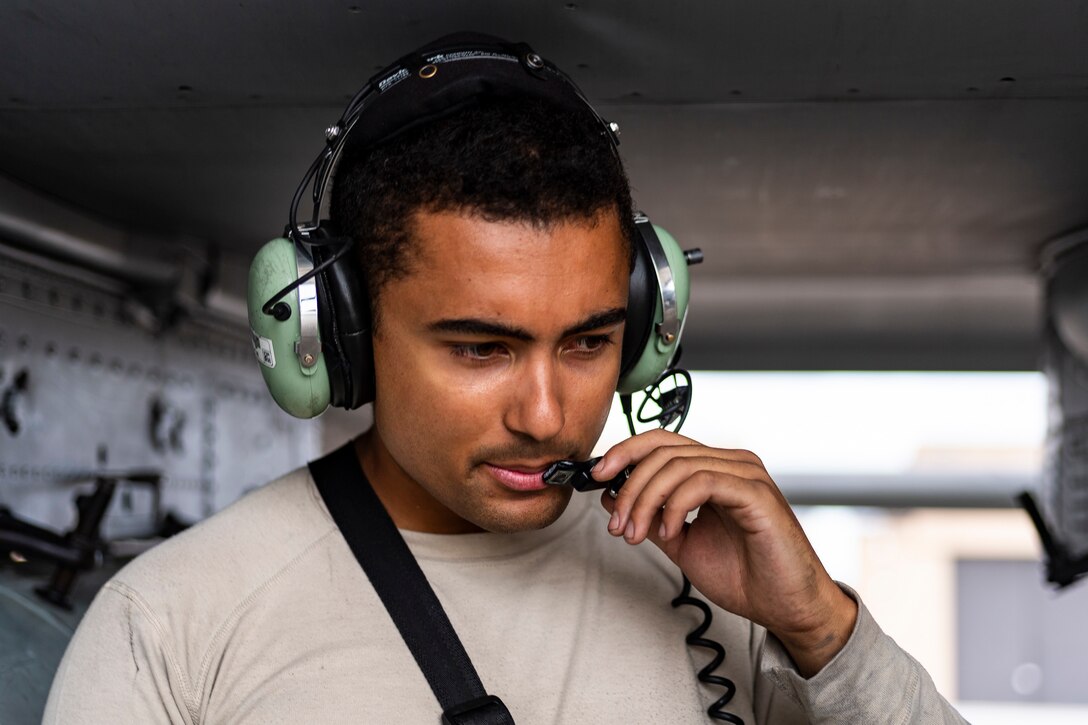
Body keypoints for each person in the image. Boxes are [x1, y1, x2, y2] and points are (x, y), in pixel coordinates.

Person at [44, 35, 967, 724]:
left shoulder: (731, 596)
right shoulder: (169, 624)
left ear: (644, 327)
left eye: (589, 341)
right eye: (480, 349)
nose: (547, 415)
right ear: (344, 335)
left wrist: (818, 624)